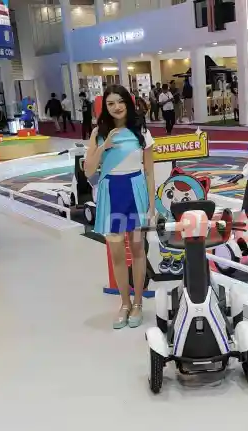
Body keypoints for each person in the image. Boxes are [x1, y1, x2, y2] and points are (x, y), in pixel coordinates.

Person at [82, 85, 155, 329]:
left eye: (120, 101)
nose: (116, 107)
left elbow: (149, 171)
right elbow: (88, 171)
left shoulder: (141, 131)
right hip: (111, 195)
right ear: (105, 107)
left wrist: (152, 205)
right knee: (117, 254)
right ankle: (124, 304)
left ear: (128, 103)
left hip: (135, 193)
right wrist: (104, 146)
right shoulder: (98, 133)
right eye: (111, 103)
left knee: (138, 250)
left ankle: (138, 303)